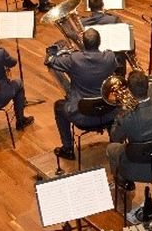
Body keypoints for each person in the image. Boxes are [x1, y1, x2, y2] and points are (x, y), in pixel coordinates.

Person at [48, 28, 120, 160]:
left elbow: (50, 61)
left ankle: (67, 149)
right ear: (100, 42)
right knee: (111, 103)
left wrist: (52, 51)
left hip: (82, 117)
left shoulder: (74, 59)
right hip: (109, 113)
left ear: (84, 43)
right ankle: (115, 145)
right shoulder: (110, 57)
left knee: (58, 106)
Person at [106, 70, 152, 192]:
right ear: (148, 86)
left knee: (110, 148)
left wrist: (120, 114)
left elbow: (115, 138)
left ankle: (124, 180)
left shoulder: (125, 116)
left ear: (129, 90)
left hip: (136, 164)